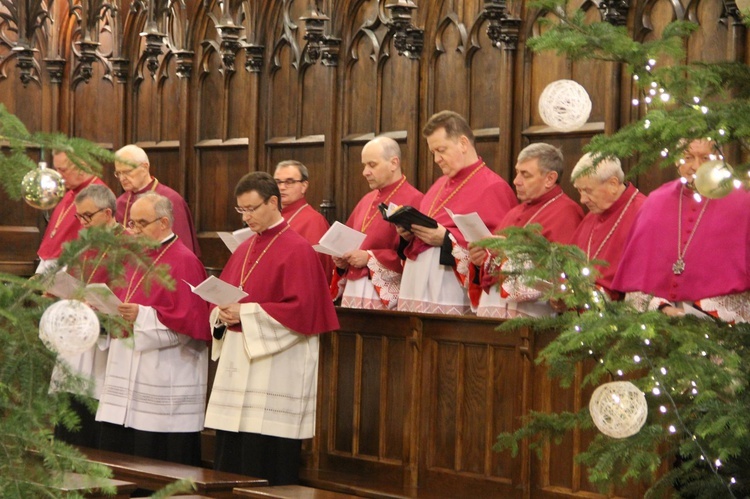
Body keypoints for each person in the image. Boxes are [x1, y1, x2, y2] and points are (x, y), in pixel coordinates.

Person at [204, 172, 339, 485]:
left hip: (276, 367)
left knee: (264, 456)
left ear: (274, 202)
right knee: (232, 454)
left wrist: (246, 313)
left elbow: (304, 312)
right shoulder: (243, 249)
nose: (247, 217)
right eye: (241, 210)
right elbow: (223, 296)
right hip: (240, 362)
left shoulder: (298, 249)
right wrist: (221, 314)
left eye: (252, 208)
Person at [96, 192, 210, 466]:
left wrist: (142, 315)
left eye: (141, 223)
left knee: (159, 460)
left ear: (163, 222)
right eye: (132, 223)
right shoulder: (135, 256)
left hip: (165, 374)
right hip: (128, 364)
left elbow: (190, 323)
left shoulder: (185, 261)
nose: (133, 231)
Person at [612, 139, 750, 322]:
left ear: (719, 161)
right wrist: (663, 308)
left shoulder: (742, 201)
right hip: (662, 324)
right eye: (688, 157)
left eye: (705, 158)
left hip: (722, 326)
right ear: (677, 162)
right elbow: (638, 277)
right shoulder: (656, 201)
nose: (696, 166)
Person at [397, 110, 517, 315]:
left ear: (463, 143)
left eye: (441, 150)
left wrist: (446, 238)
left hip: (450, 287)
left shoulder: (494, 187)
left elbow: (500, 250)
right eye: (433, 152)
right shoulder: (438, 185)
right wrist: (408, 234)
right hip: (417, 283)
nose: (436, 159)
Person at [468, 143, 583, 318]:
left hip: (532, 317)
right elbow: (493, 265)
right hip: (493, 312)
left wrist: (508, 253)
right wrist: (481, 259)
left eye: (525, 175)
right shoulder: (514, 212)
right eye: (517, 172)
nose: (516, 181)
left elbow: (561, 271)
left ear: (550, 179)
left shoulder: (567, 212)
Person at [50, 184, 119, 448]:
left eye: (87, 217)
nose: (82, 224)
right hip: (76, 338)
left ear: (109, 213)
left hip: (102, 345)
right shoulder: (84, 245)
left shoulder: (125, 245)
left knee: (91, 419)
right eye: (79, 217)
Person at [331, 136, 424, 309]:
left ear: (394, 163)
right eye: (364, 165)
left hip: (383, 297)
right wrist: (342, 261)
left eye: (372, 165)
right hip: (354, 291)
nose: (365, 172)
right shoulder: (366, 200)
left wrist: (369, 258)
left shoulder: (415, 200)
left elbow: (416, 255)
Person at [570, 153, 646, 299]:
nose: (582, 199)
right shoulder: (593, 213)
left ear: (612, 184)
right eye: (579, 190)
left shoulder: (643, 212)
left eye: (588, 190)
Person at [113, 144, 201, 256]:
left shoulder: (171, 200)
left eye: (127, 172)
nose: (122, 178)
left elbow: (182, 250)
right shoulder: (119, 203)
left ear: (144, 168)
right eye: (118, 173)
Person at [36, 151, 106, 274]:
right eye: (57, 170)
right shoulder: (70, 193)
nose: (59, 176)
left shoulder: (97, 195)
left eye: (63, 170)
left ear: (81, 166)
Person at [273, 160, 333, 280]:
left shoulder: (314, 221)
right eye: (277, 182)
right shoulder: (271, 216)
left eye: (289, 182)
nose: (282, 187)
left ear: (304, 186)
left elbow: (315, 266)